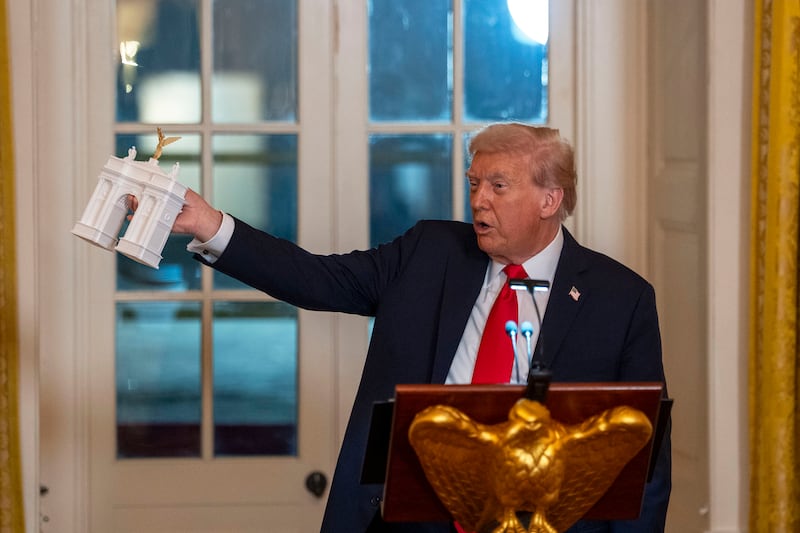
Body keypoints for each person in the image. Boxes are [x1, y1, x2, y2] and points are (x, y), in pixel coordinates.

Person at [169, 123, 671, 532]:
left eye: (499, 186)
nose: (479, 201)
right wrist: (209, 224)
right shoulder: (429, 252)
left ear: (549, 199)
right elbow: (318, 280)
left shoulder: (619, 298)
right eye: (474, 184)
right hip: (410, 514)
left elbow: (642, 460)